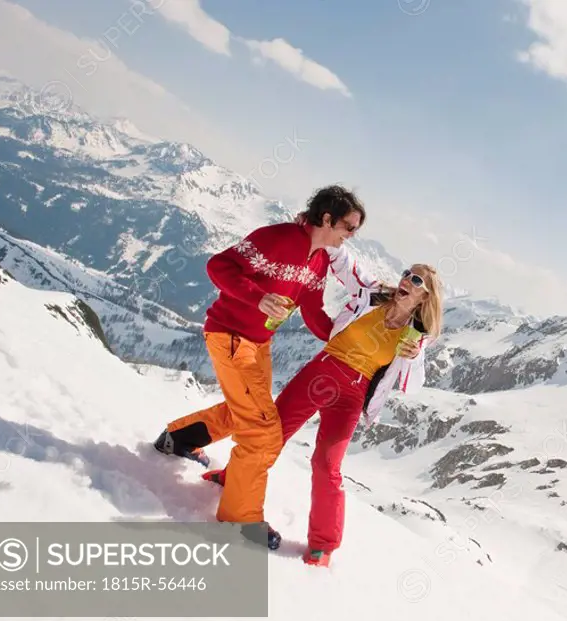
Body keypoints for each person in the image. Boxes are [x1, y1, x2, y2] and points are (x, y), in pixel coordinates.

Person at [153, 185, 390, 549]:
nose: (351, 236)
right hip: (230, 336)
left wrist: (342, 341)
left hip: (259, 344)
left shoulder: (320, 260)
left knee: (250, 412)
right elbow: (218, 266)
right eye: (349, 227)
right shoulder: (278, 238)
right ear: (326, 219)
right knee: (263, 433)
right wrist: (258, 297)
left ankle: (179, 438)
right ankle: (238, 520)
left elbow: (311, 308)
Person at [205, 263, 443, 567]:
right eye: (407, 273)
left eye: (416, 279)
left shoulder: (416, 337)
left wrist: (415, 356)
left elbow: (411, 386)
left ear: (425, 296)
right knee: (272, 433)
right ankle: (232, 479)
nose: (406, 279)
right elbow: (344, 263)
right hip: (322, 372)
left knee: (326, 464)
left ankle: (323, 545)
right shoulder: (372, 295)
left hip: (352, 395)